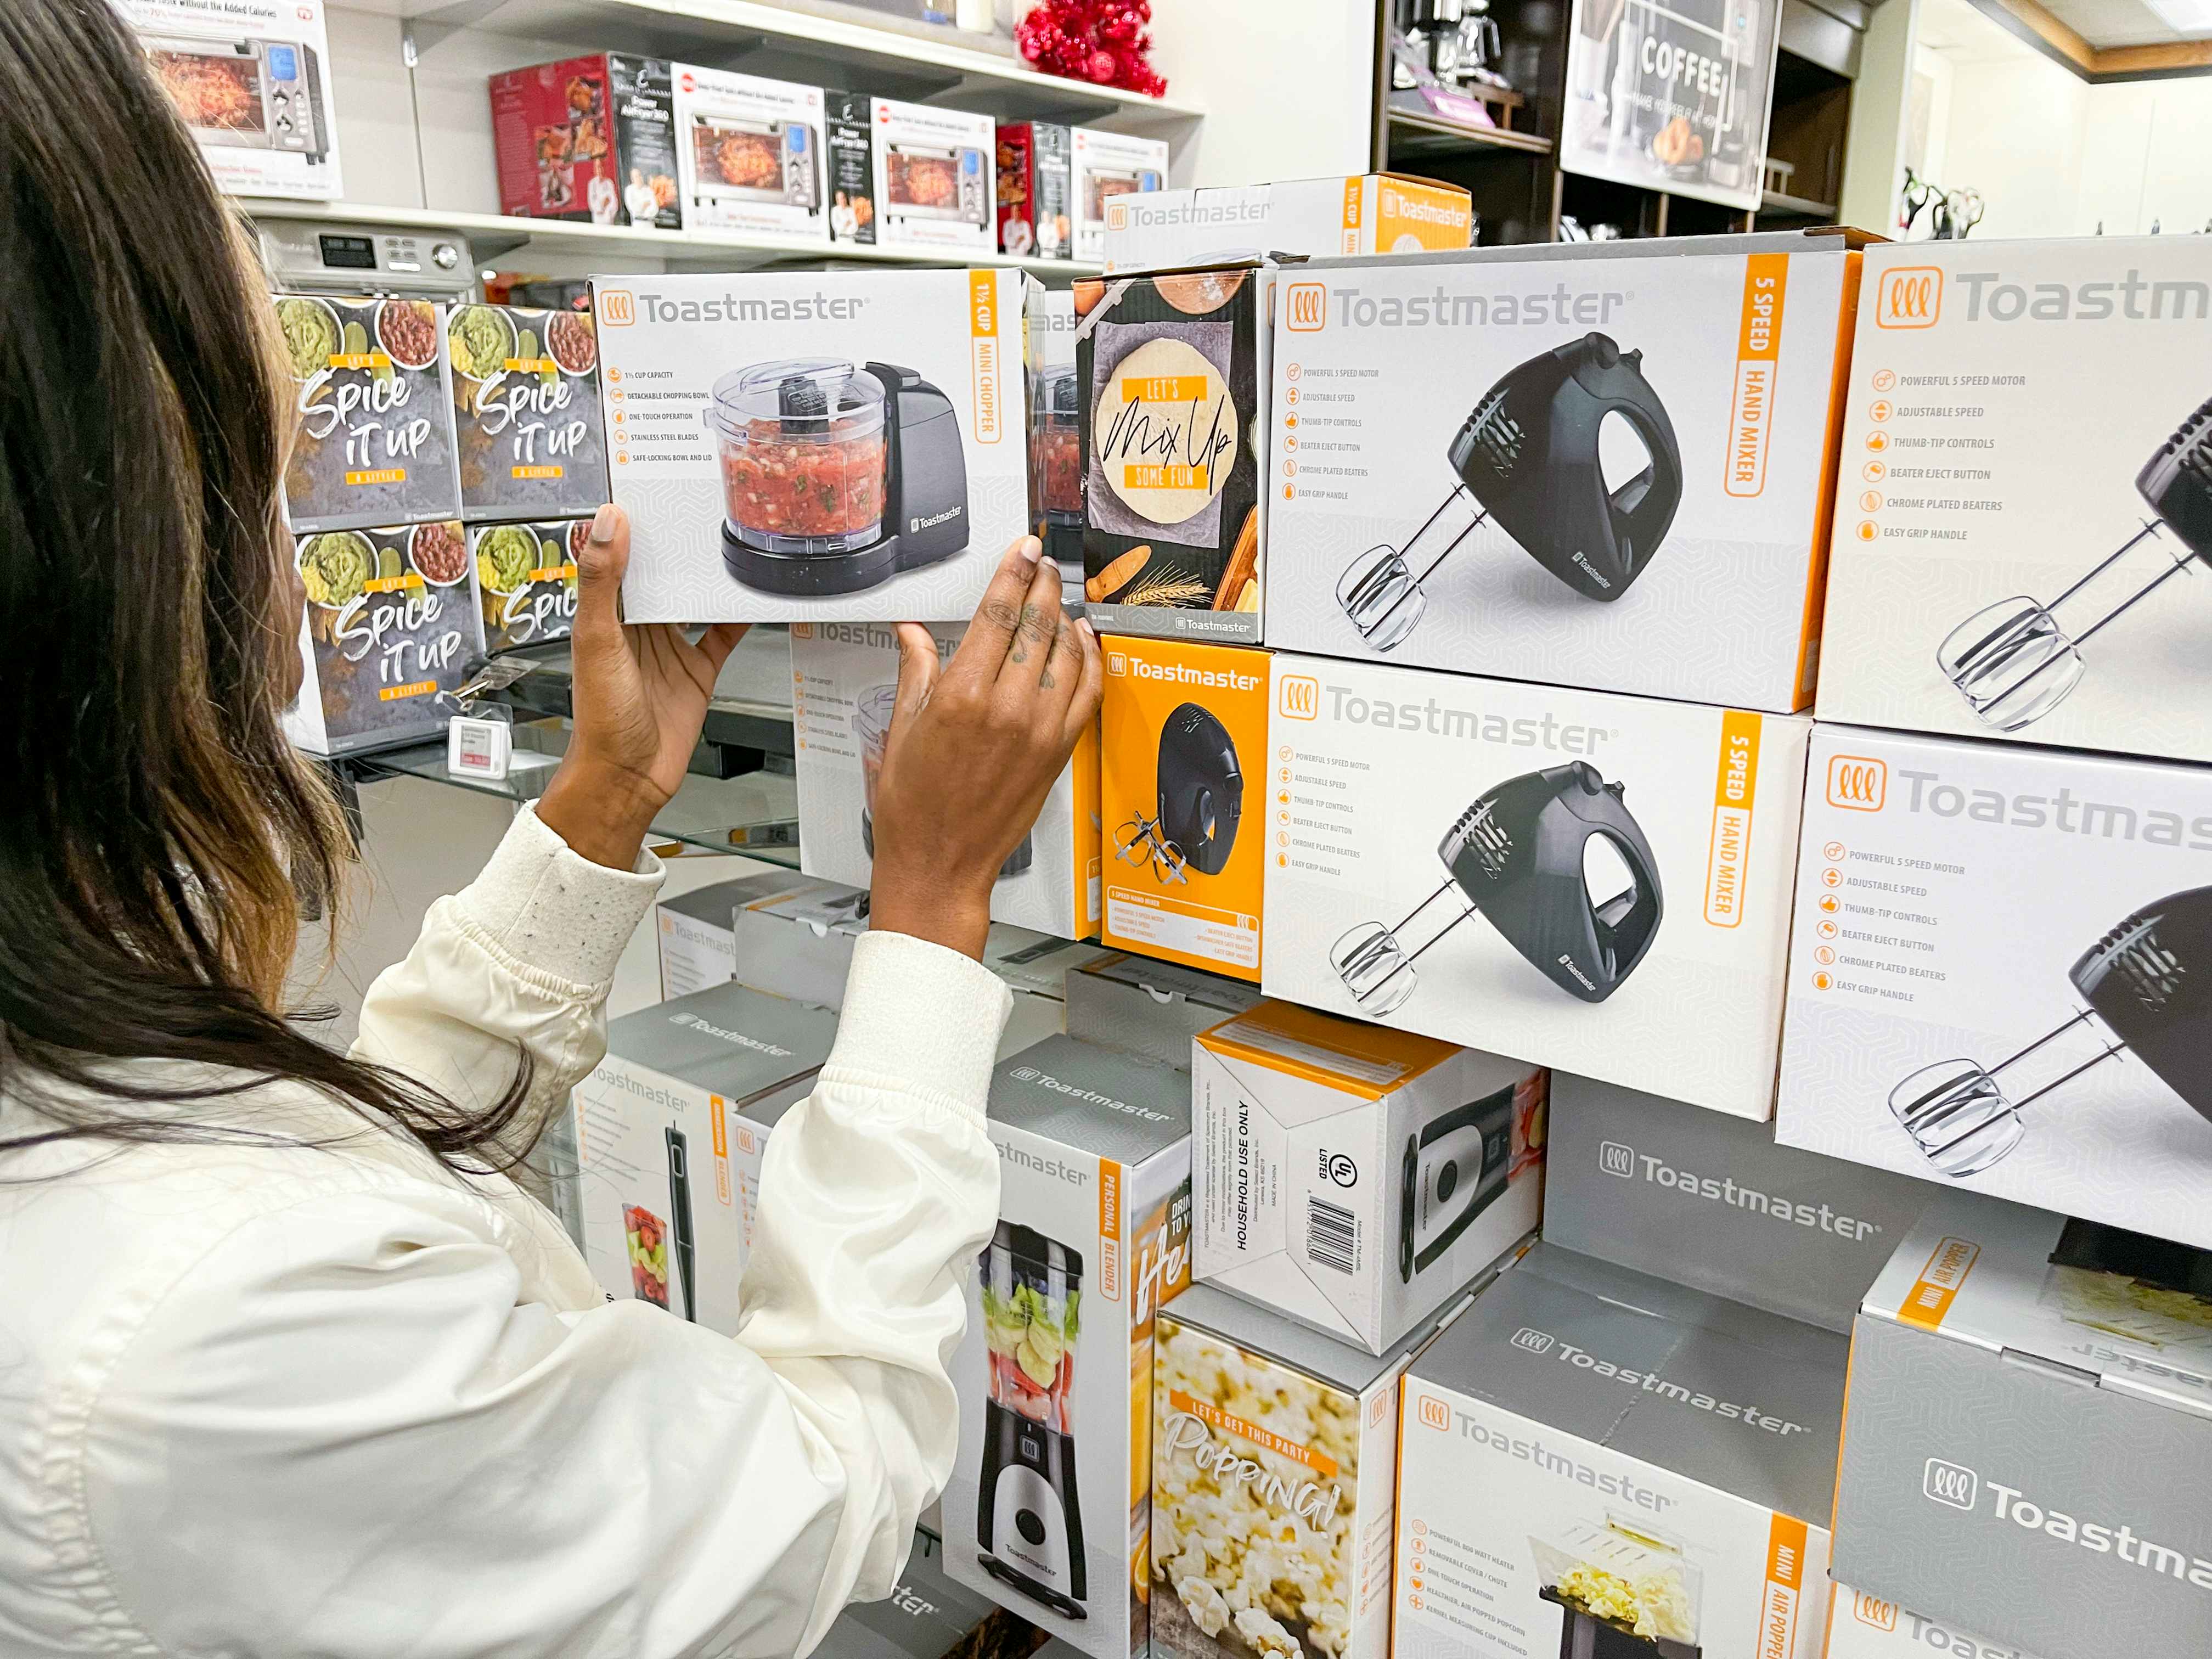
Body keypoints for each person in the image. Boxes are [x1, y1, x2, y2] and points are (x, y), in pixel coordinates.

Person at [0, 3, 1101, 1654]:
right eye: (277, 470)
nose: (313, 534)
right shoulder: (204, 1335)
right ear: (129, 535)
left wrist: (601, 805)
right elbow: (825, 1493)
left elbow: (347, 1170)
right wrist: (934, 901)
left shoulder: (97, 1095)